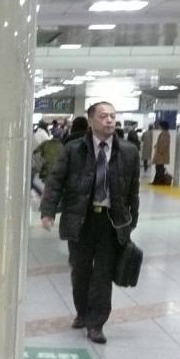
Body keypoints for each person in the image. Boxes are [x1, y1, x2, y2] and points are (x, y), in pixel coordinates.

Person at [39, 100, 140, 345]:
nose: (109, 120)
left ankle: (97, 323)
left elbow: (133, 189)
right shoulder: (73, 149)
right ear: (91, 120)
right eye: (104, 116)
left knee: (103, 274)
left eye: (113, 116)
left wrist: (132, 219)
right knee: (80, 270)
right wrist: (48, 211)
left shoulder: (128, 152)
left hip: (111, 222)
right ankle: (82, 313)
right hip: (80, 219)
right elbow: (55, 181)